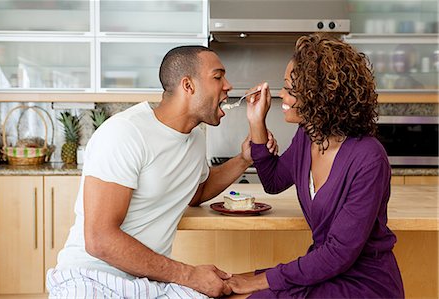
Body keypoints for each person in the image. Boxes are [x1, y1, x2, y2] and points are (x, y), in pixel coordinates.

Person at [46, 45, 277, 298]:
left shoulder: (195, 139)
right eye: (218, 77)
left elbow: (194, 193)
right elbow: (100, 239)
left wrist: (244, 159)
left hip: (149, 282)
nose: (228, 86)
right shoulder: (125, 133)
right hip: (93, 276)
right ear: (188, 86)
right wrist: (189, 275)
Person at [225, 33, 405, 298]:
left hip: (363, 283)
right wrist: (256, 123)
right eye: (285, 86)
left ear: (324, 98)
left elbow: (339, 253)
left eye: (292, 90)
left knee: (257, 292)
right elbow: (273, 182)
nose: (282, 96)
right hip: (325, 272)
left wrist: (261, 280)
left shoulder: (369, 158)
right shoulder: (308, 137)